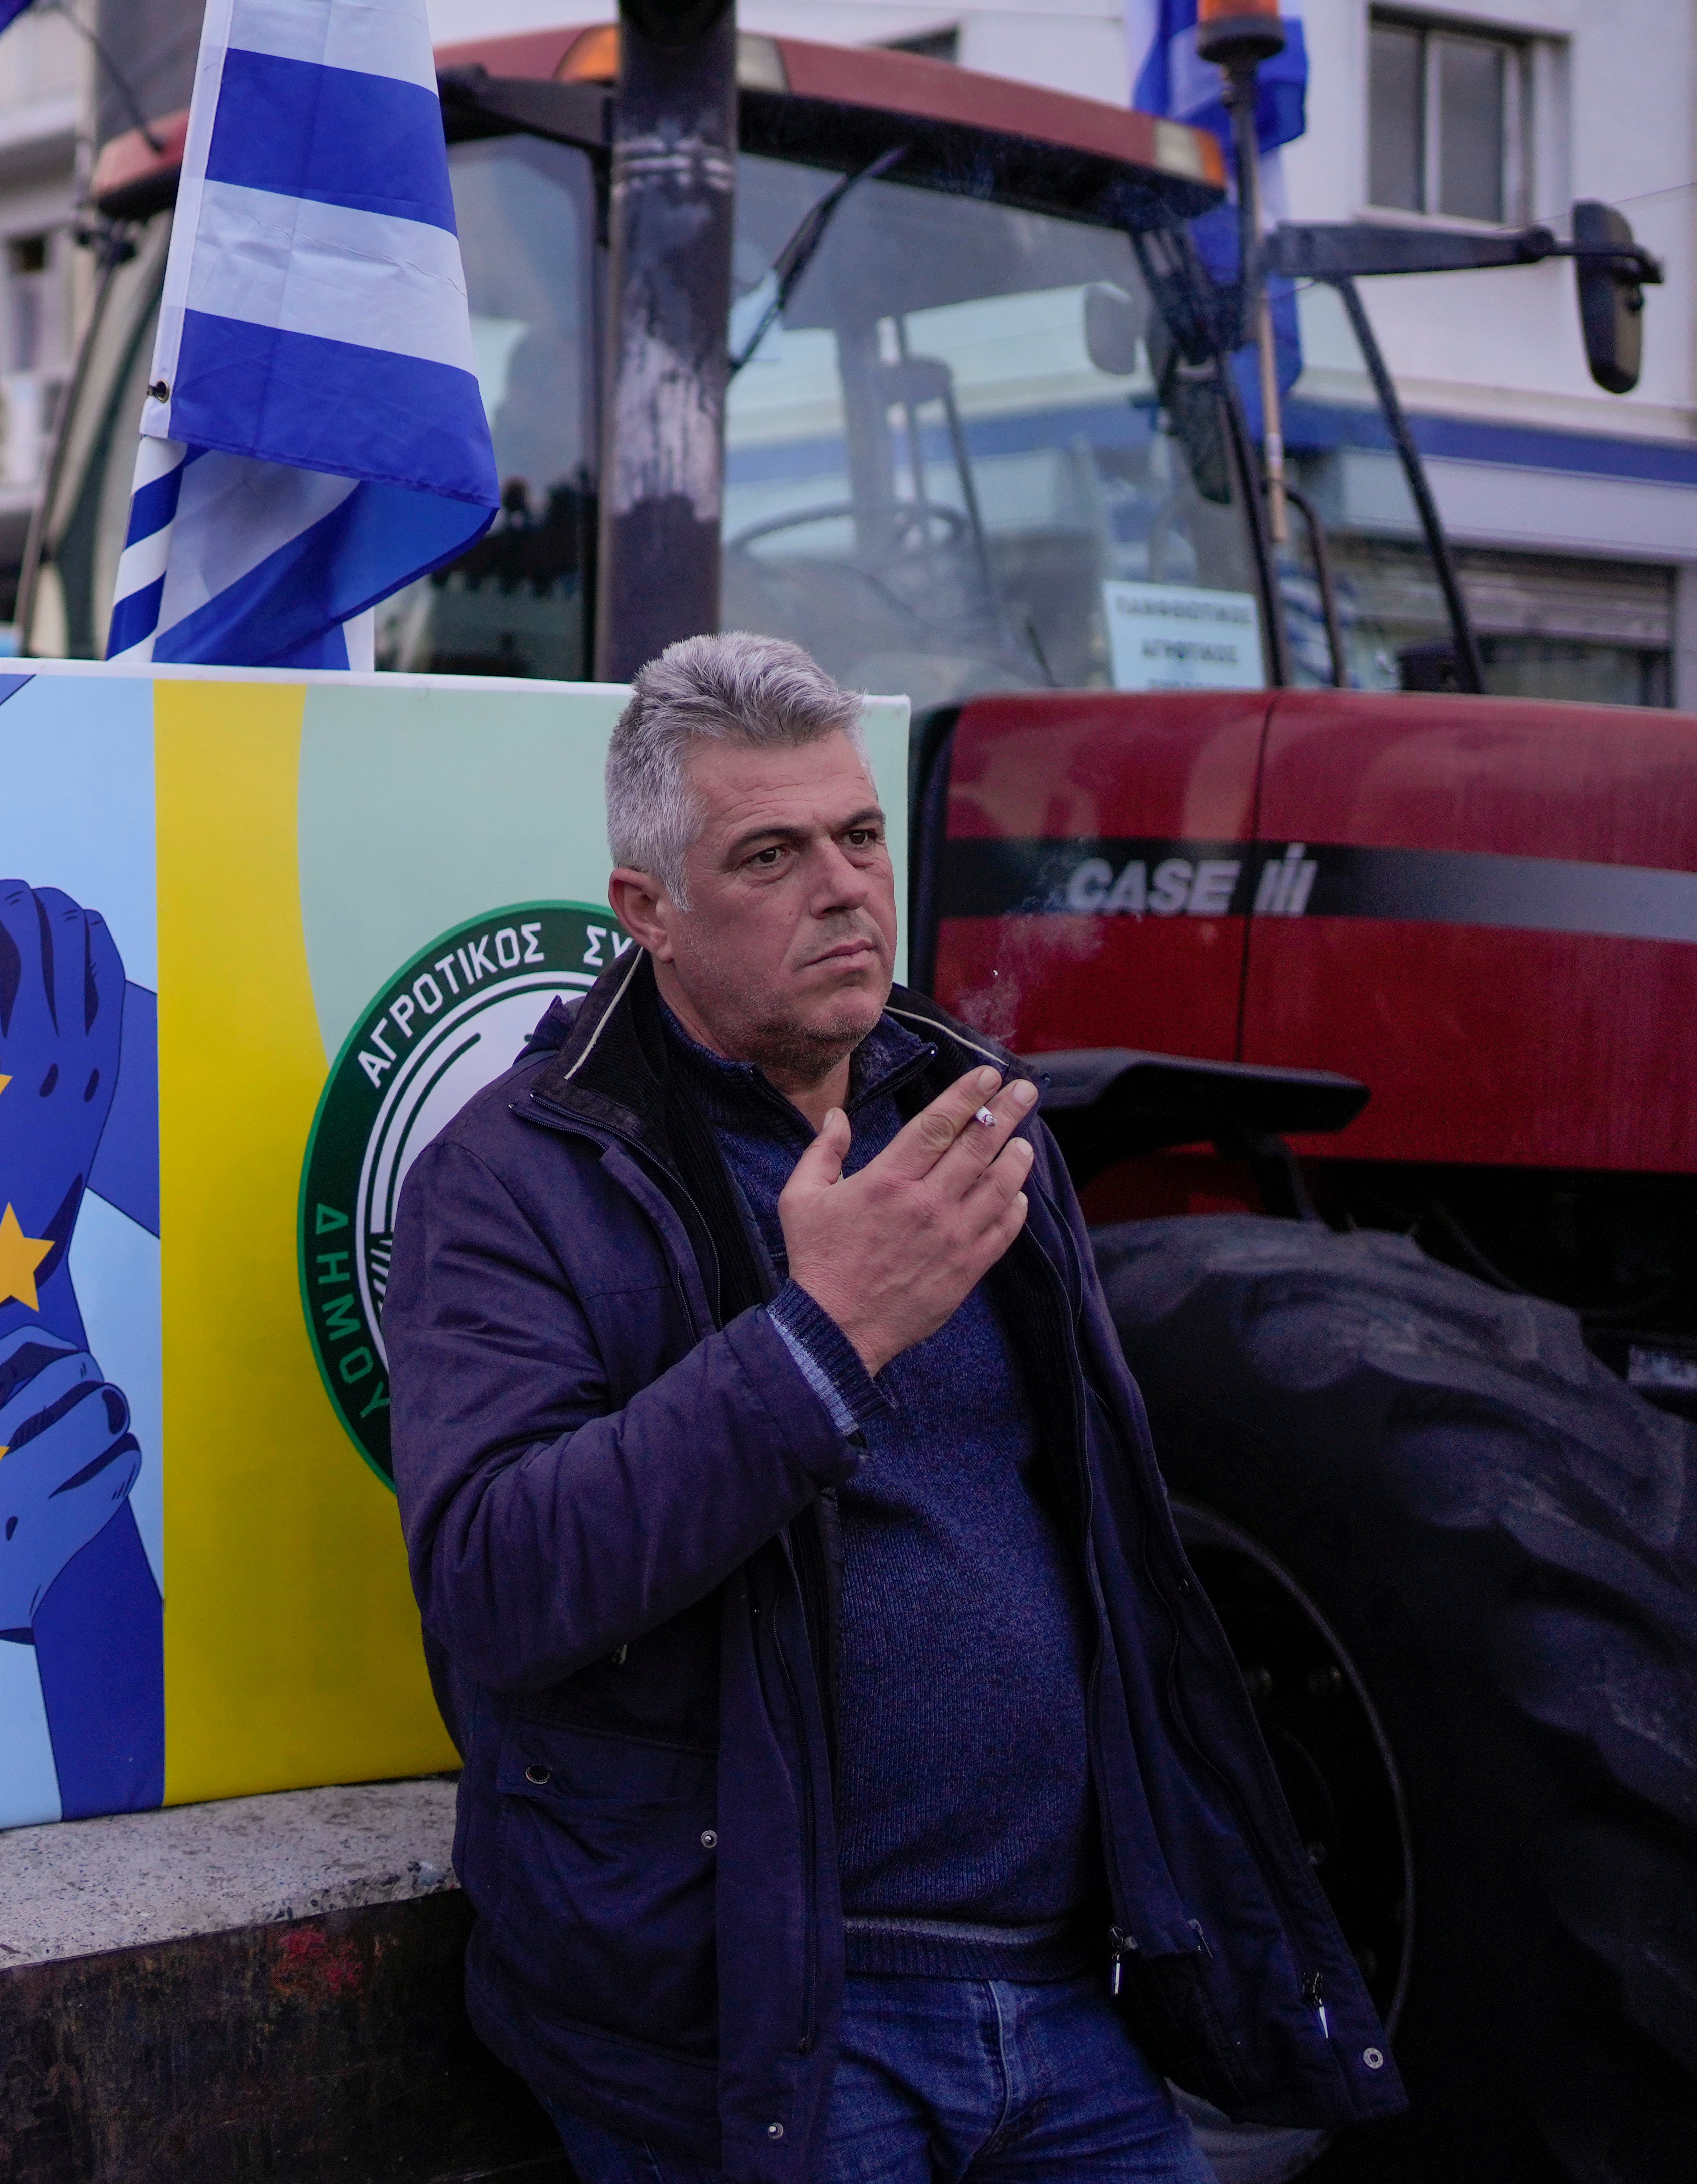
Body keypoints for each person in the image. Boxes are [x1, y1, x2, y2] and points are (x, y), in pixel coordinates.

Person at [382, 634, 1400, 2183]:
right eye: (769, 854)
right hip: (774, 2021)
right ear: (646, 909)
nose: (843, 887)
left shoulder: (972, 1114)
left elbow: (1105, 1541)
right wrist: (820, 1340)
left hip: (1063, 1996)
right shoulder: (518, 1175)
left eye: (858, 834)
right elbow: (496, 1579)